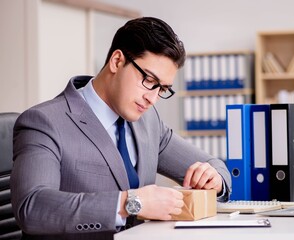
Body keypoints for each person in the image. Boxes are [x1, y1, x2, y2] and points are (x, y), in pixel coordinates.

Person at [10, 17, 231, 240]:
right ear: (117, 61)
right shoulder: (45, 122)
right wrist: (131, 203)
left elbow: (216, 166)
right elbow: (32, 207)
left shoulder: (148, 121)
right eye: (148, 79)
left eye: (162, 89)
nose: (152, 98)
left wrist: (214, 179)